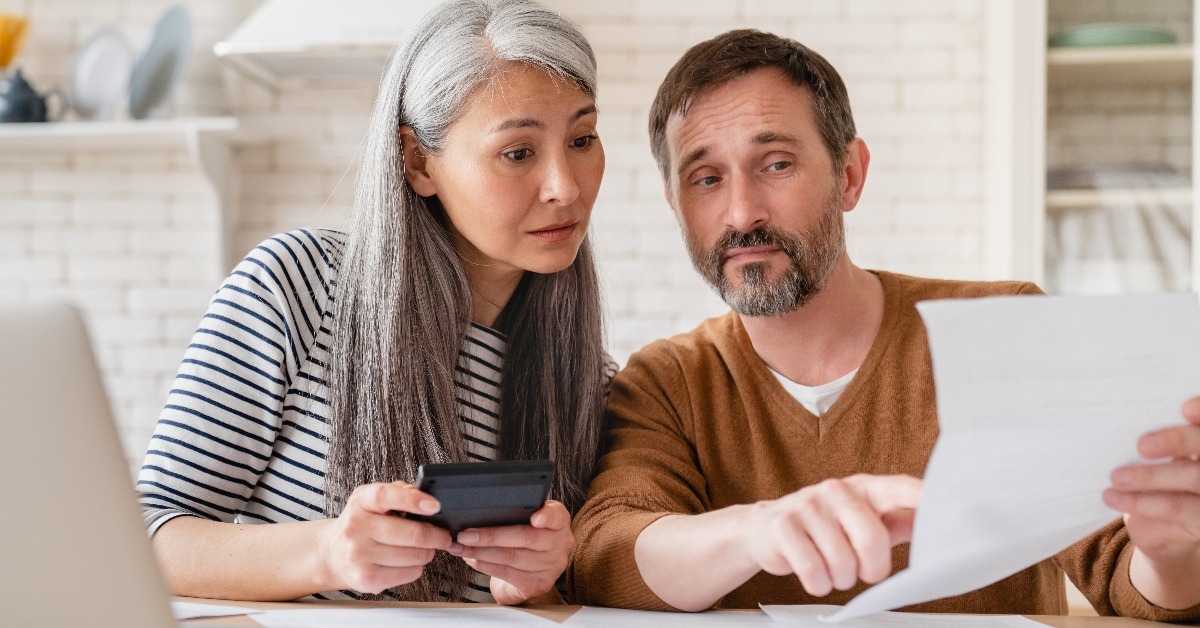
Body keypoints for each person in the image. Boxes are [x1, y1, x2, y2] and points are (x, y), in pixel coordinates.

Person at [567, 29, 1200, 621]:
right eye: (705, 179)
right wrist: (759, 528)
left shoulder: (1004, 331)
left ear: (849, 174)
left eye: (777, 164)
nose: (741, 212)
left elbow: (1125, 570)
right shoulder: (668, 380)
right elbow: (608, 550)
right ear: (676, 205)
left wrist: (1170, 549)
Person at [136, 0, 615, 606]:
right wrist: (329, 552)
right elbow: (142, 540)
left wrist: (540, 586)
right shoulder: (293, 288)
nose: (566, 187)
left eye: (582, 139)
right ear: (417, 162)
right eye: (518, 152)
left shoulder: (589, 382)